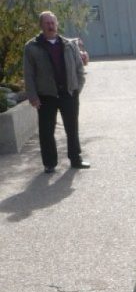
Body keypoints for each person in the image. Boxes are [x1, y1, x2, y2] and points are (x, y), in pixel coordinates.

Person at [23, 11, 89, 173]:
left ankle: (76, 159)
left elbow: (79, 68)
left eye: (53, 23)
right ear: (41, 26)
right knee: (46, 131)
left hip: (69, 94)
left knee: (72, 128)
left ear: (57, 24)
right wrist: (33, 96)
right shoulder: (32, 47)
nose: (51, 26)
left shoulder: (69, 44)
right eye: (47, 23)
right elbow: (28, 74)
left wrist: (76, 88)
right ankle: (50, 163)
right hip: (46, 96)